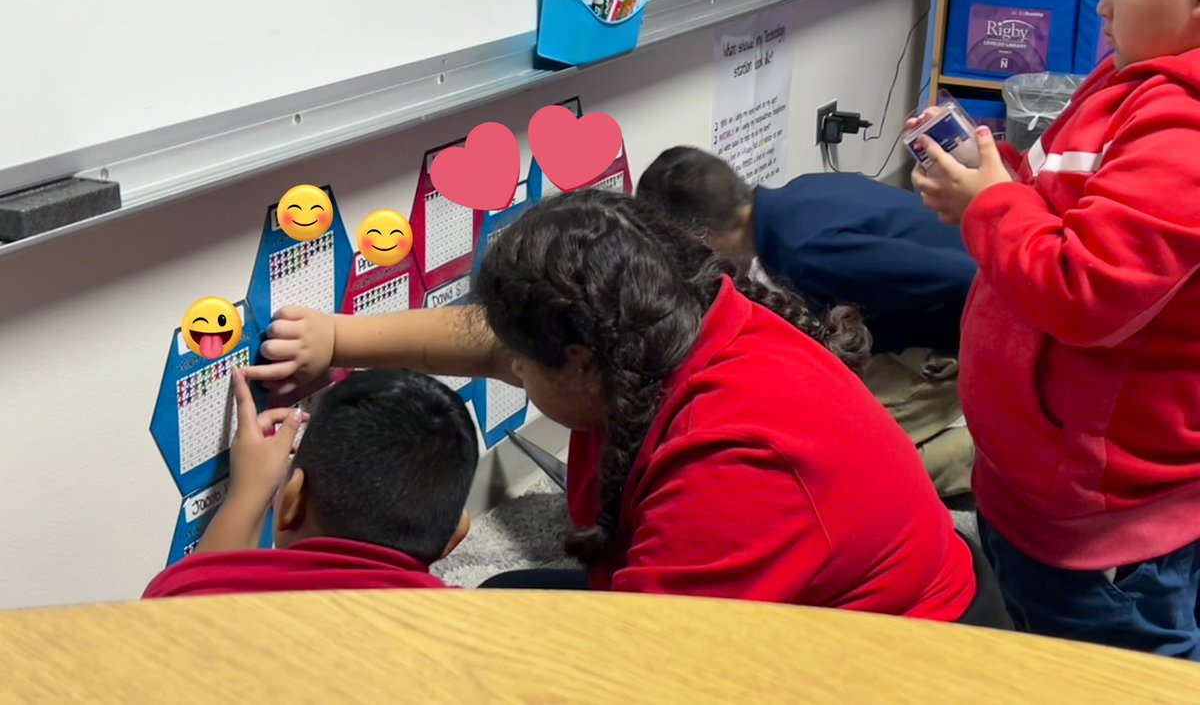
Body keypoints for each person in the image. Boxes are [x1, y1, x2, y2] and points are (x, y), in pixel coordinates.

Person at [244, 189, 1010, 627]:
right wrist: (340, 337)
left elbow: (639, 673)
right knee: (500, 604)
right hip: (820, 593)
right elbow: (490, 341)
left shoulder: (728, 463)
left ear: (577, 363)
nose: (509, 366)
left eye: (523, 363)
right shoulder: (668, 321)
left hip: (901, 659)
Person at [911, 0, 1200, 658]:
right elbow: (1066, 209)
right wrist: (992, 187)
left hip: (1103, 530)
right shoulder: (1127, 82)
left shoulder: (1183, 125)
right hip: (1035, 486)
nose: (1101, 6)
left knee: (1113, 672)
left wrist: (992, 207)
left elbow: (1085, 288)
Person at [636, 147, 976, 500]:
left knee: (839, 470)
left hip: (949, 344)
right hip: (913, 320)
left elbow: (964, 275)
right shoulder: (801, 192)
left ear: (702, 238)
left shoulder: (804, 250)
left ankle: (996, 457)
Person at [143, 369, 476, 597]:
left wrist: (248, 494)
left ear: (291, 502)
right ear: (455, 535)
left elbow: (191, 591)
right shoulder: (485, 628)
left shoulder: (176, 597)